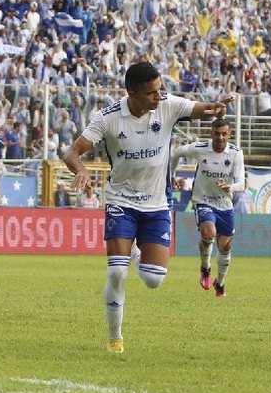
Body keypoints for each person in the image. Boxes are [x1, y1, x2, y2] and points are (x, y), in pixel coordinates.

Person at [63, 62, 232, 353]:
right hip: (121, 201)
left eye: (160, 90)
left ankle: (136, 251)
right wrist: (80, 169)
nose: (159, 97)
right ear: (132, 93)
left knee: (154, 279)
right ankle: (115, 338)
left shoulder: (167, 105)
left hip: (157, 204)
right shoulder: (108, 118)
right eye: (151, 93)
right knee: (117, 272)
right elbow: (72, 151)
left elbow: (200, 108)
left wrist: (216, 107)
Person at [170, 118, 246, 298]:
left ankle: (220, 284)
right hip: (202, 200)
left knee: (225, 247)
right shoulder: (200, 148)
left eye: (224, 134)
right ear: (211, 133)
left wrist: (230, 187)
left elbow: (241, 183)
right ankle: (205, 268)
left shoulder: (236, 153)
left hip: (225, 204)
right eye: (217, 133)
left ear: (229, 135)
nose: (220, 137)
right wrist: (170, 175)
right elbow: (177, 153)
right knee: (209, 232)